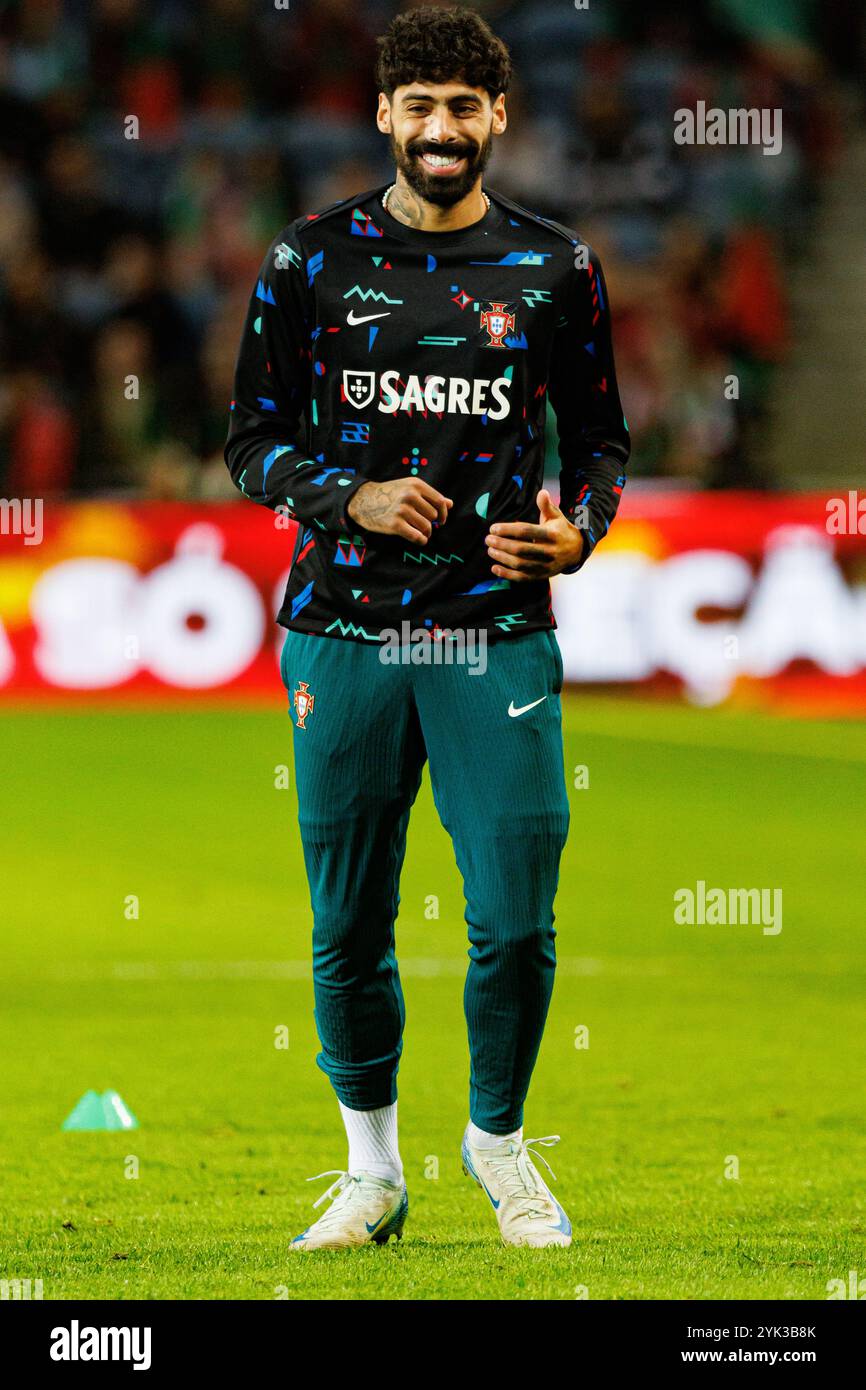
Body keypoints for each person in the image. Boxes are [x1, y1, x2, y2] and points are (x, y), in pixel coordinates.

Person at [225, 5, 630, 1250]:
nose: (441, 129)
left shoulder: (556, 269)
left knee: (512, 915)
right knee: (348, 918)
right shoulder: (308, 259)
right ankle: (371, 1172)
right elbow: (249, 443)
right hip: (342, 634)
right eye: (420, 106)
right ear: (385, 115)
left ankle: (498, 1140)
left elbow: (602, 443)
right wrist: (345, 493)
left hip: (492, 630)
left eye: (465, 106)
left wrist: (581, 531)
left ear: (498, 116)